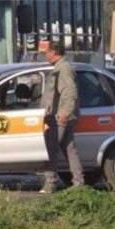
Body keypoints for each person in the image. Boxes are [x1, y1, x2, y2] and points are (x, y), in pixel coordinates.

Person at [39, 40, 84, 193]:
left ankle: (50, 183)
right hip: (60, 115)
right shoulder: (59, 68)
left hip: (59, 117)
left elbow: (70, 92)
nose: (45, 56)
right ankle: (79, 183)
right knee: (69, 148)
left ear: (53, 52)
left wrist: (64, 112)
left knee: (49, 149)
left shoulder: (63, 69)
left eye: (47, 53)